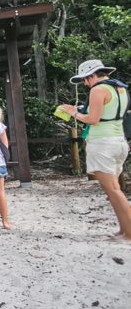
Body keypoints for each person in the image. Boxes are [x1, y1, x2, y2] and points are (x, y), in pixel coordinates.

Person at [59, 59, 130, 240]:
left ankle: (129, 232)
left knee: (113, 190)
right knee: (113, 189)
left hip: (102, 144)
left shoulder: (98, 89)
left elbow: (93, 119)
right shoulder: (119, 89)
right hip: (118, 141)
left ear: (92, 75)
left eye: (85, 79)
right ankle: (123, 230)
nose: (84, 83)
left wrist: (72, 112)